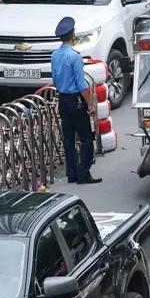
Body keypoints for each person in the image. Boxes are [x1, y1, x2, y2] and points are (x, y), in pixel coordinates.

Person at [51, 16, 99, 185]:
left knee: (69, 137)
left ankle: (71, 173)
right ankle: (83, 173)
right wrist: (90, 104)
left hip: (62, 99)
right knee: (86, 137)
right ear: (73, 35)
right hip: (76, 99)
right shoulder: (75, 57)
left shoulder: (55, 55)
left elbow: (55, 80)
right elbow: (81, 84)